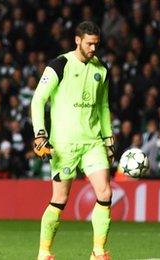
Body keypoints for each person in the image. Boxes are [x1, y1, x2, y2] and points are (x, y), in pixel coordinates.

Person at [31, 21, 113, 260]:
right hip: (64, 145)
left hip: (93, 143)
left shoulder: (102, 69)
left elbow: (103, 106)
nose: (93, 49)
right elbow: (38, 100)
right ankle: (44, 252)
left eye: (96, 44)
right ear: (77, 40)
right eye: (89, 44)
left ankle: (98, 252)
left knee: (105, 193)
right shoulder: (60, 64)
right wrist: (40, 133)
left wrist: (108, 140)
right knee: (60, 199)